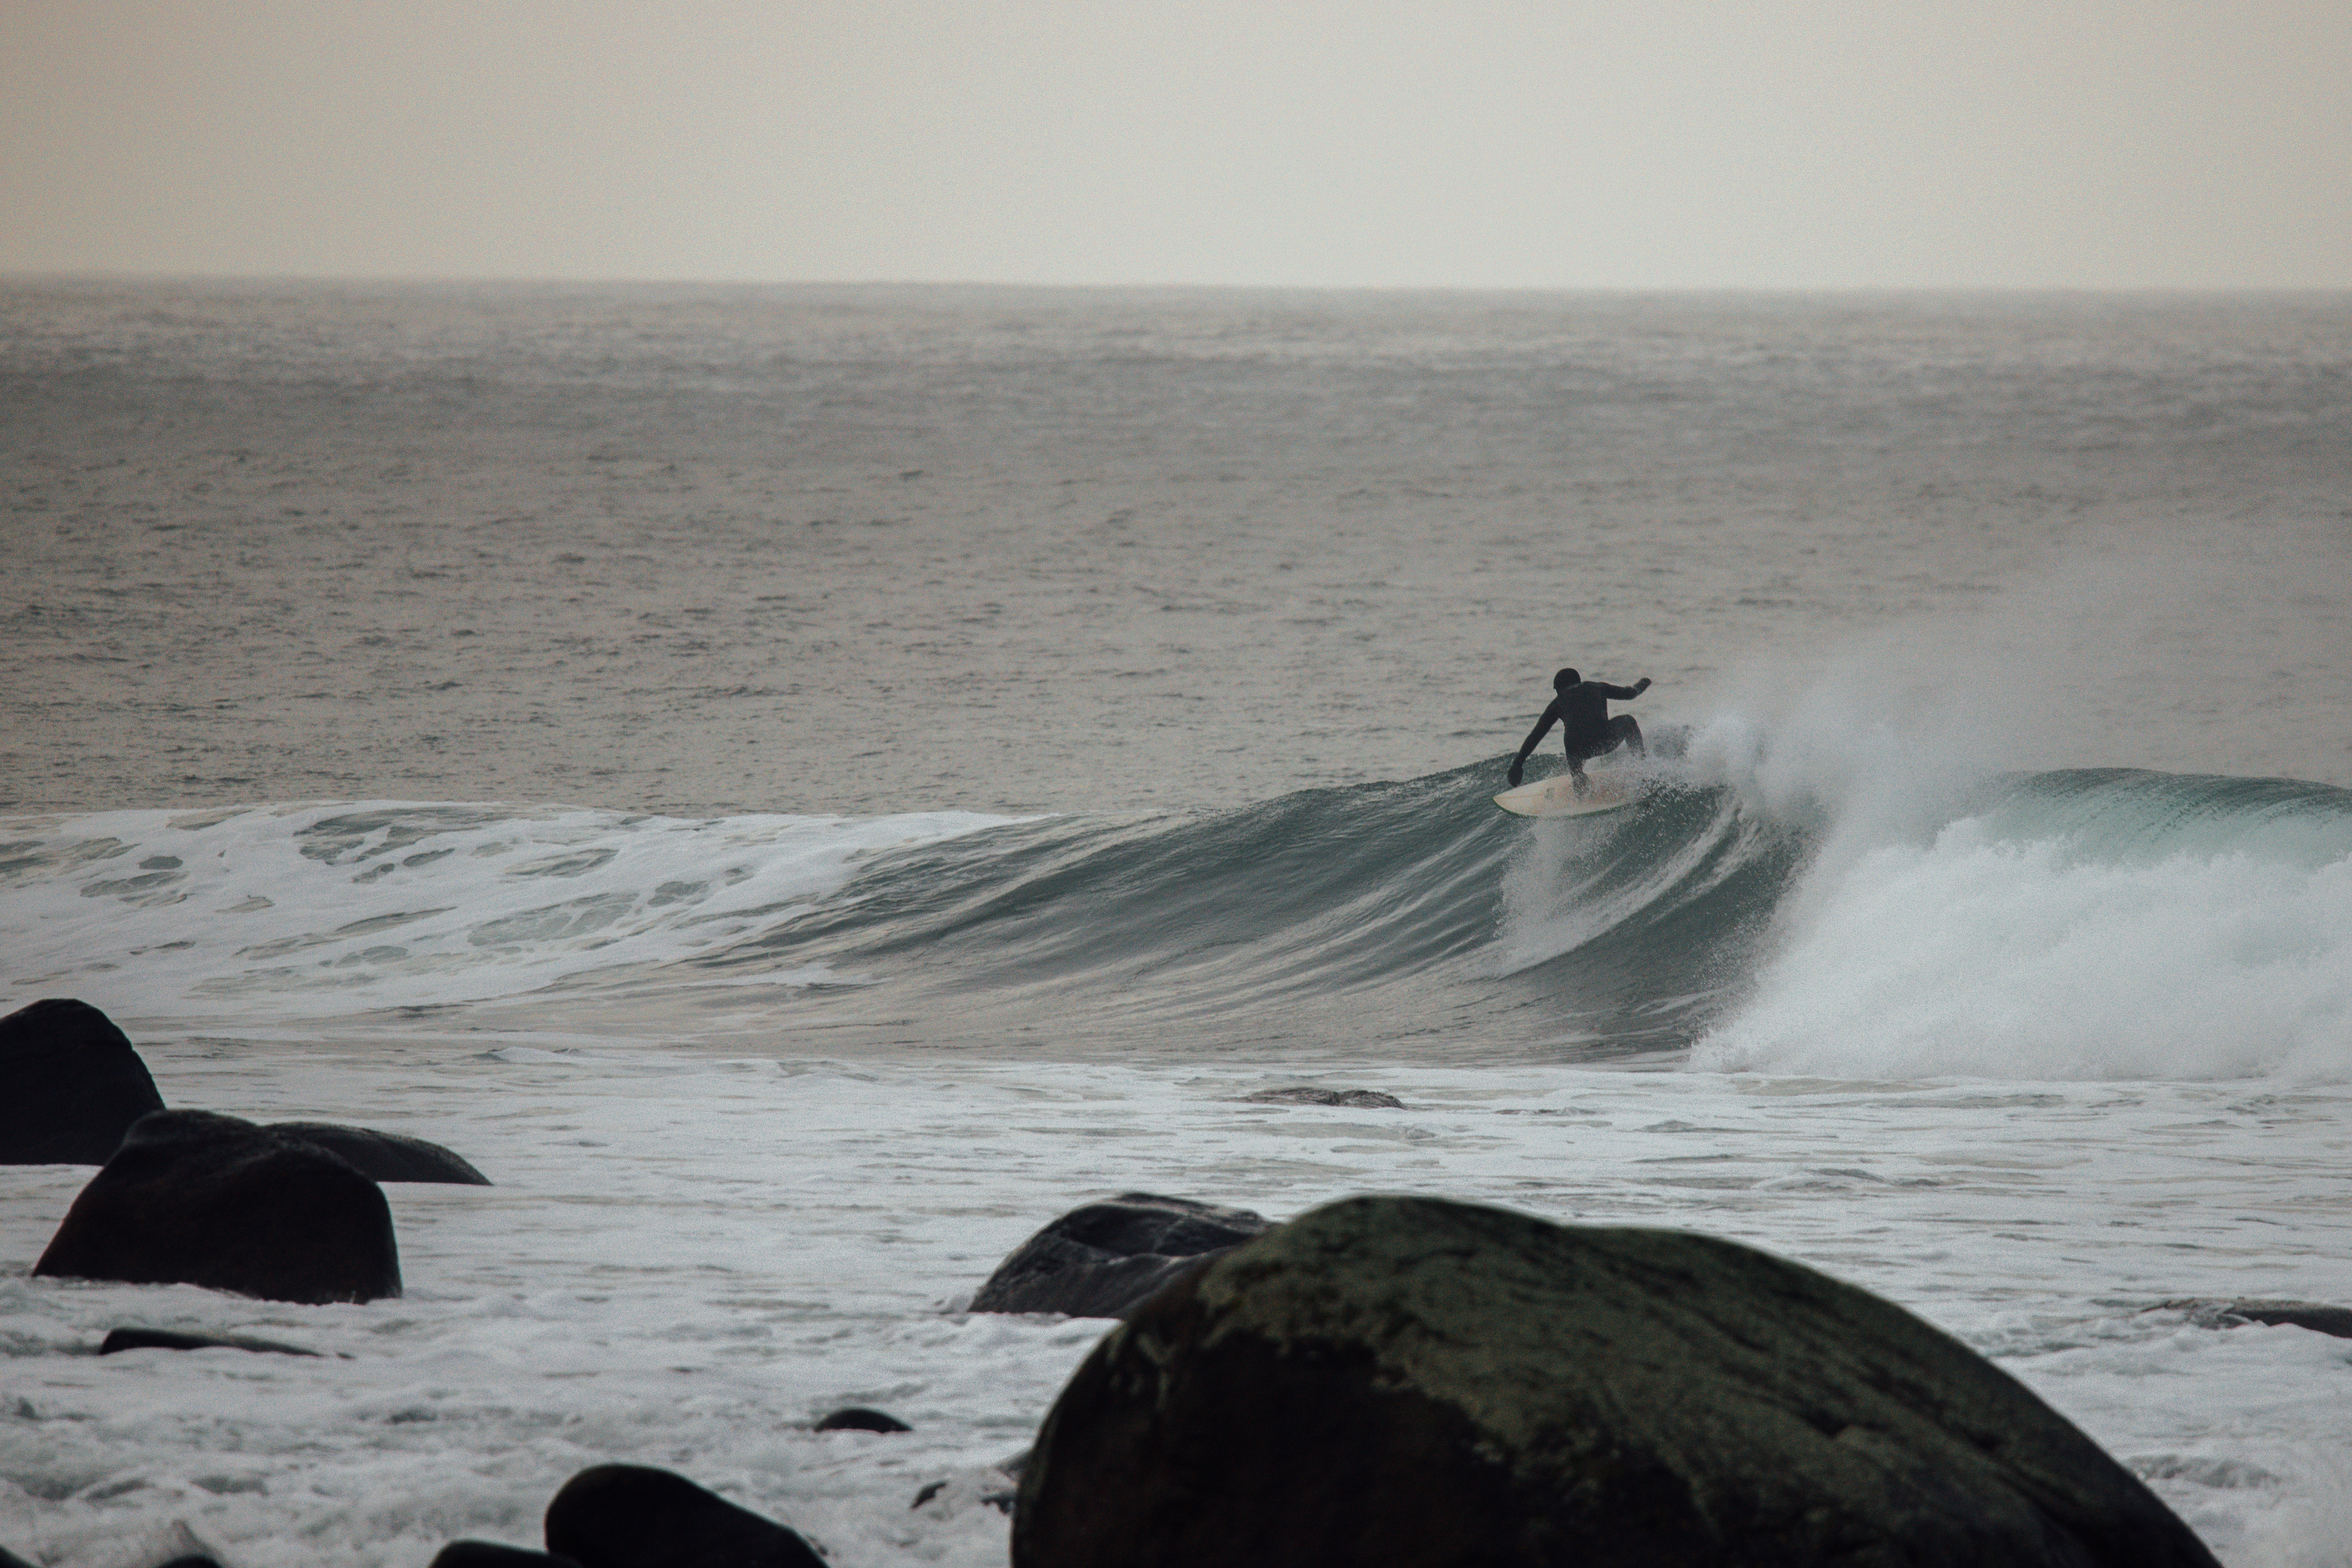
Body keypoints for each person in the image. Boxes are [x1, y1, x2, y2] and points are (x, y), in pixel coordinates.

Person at [1507, 668, 1651, 795]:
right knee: (1629, 721)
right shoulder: (1597, 687)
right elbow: (1629, 694)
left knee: (1572, 744)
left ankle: (1579, 782)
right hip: (1605, 741)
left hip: (1579, 752)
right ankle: (1641, 765)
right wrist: (1643, 684)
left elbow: (1536, 735)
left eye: (1557, 690)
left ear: (1560, 687)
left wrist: (1518, 764)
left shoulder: (1557, 703)